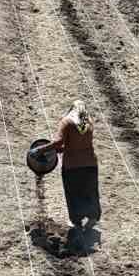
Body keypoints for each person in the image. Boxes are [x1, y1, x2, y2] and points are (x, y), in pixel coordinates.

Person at [44, 100, 101, 249]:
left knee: (73, 194)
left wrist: (41, 149)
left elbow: (59, 142)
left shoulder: (67, 122)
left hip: (73, 167)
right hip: (90, 165)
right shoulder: (89, 123)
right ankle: (92, 217)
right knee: (90, 192)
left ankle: (76, 223)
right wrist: (63, 150)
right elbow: (81, 145)